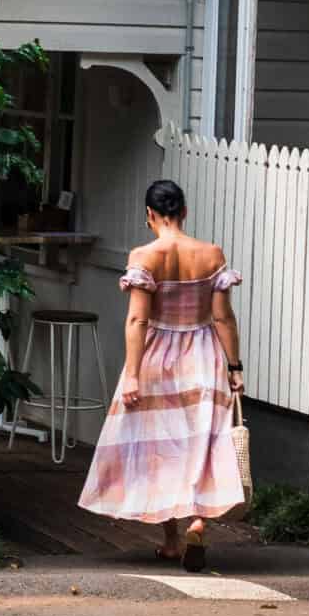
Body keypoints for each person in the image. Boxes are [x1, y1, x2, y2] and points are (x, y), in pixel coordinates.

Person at [76, 178, 245, 571]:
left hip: (156, 357)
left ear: (149, 214)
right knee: (200, 443)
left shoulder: (144, 256)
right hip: (204, 355)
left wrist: (132, 374)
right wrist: (234, 367)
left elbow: (137, 319)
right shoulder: (211, 253)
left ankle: (170, 540)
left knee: (160, 447)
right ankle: (198, 520)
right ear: (183, 211)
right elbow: (223, 317)